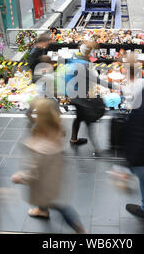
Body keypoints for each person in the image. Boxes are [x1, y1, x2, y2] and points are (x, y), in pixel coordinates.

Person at [12, 98, 87, 234]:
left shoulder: (41, 147)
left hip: (45, 181)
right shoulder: (56, 127)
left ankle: (80, 229)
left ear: (40, 117)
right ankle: (42, 210)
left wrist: (19, 177)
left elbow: (34, 172)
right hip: (55, 174)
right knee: (51, 200)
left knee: (59, 206)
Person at [112, 55, 144, 221]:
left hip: (142, 147)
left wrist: (128, 165)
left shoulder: (136, 97)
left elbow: (137, 132)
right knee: (143, 174)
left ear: (126, 73)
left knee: (140, 172)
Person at [66, 43, 116, 155]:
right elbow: (96, 80)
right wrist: (113, 86)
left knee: (78, 118)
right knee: (89, 123)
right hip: (81, 97)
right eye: (93, 52)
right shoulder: (84, 65)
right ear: (89, 53)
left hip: (73, 95)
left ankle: (73, 139)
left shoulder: (74, 60)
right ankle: (97, 149)